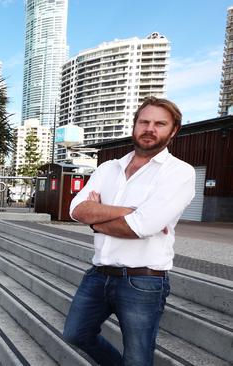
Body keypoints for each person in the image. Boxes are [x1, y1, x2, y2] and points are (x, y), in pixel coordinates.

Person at [62, 97, 195, 365]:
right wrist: (132, 210)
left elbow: (142, 227)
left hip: (143, 280)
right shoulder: (108, 168)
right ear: (134, 126)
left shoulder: (179, 172)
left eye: (160, 123)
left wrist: (97, 219)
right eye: (144, 121)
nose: (150, 128)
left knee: (137, 358)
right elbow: (76, 210)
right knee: (76, 334)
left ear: (173, 131)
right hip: (98, 275)